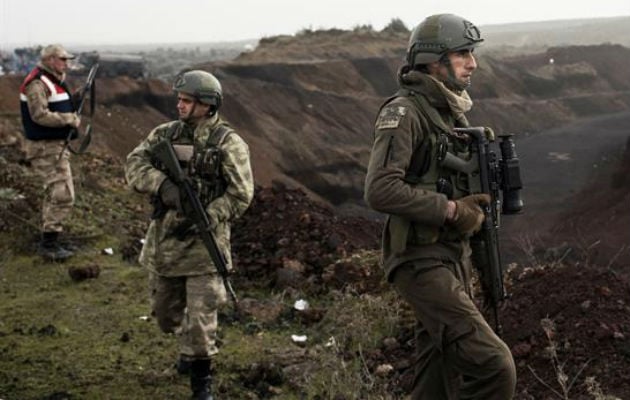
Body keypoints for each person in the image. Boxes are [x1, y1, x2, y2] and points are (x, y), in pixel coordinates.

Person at [364, 14, 516, 399]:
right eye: (463, 53)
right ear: (434, 60)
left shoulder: (449, 112)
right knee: (496, 368)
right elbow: (380, 189)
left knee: (437, 378)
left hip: (451, 257)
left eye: (471, 53)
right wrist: (450, 210)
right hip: (420, 258)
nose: (473, 63)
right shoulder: (405, 113)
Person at [125, 70, 254, 400]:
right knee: (165, 315)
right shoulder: (165, 134)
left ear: (207, 105)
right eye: (179, 100)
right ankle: (191, 350)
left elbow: (241, 194)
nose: (179, 106)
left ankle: (201, 375)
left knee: (200, 319)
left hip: (205, 247)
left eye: (187, 101)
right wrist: (164, 186)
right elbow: (135, 163)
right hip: (166, 242)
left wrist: (210, 214)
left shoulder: (228, 144)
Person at [19, 44, 81, 261]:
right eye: (63, 59)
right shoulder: (37, 83)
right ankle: (49, 245)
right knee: (62, 194)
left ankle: (52, 238)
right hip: (46, 148)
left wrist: (75, 101)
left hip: (55, 146)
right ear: (51, 59)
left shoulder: (53, 80)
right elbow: (39, 115)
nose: (67, 63)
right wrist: (68, 119)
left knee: (57, 193)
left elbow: (56, 104)